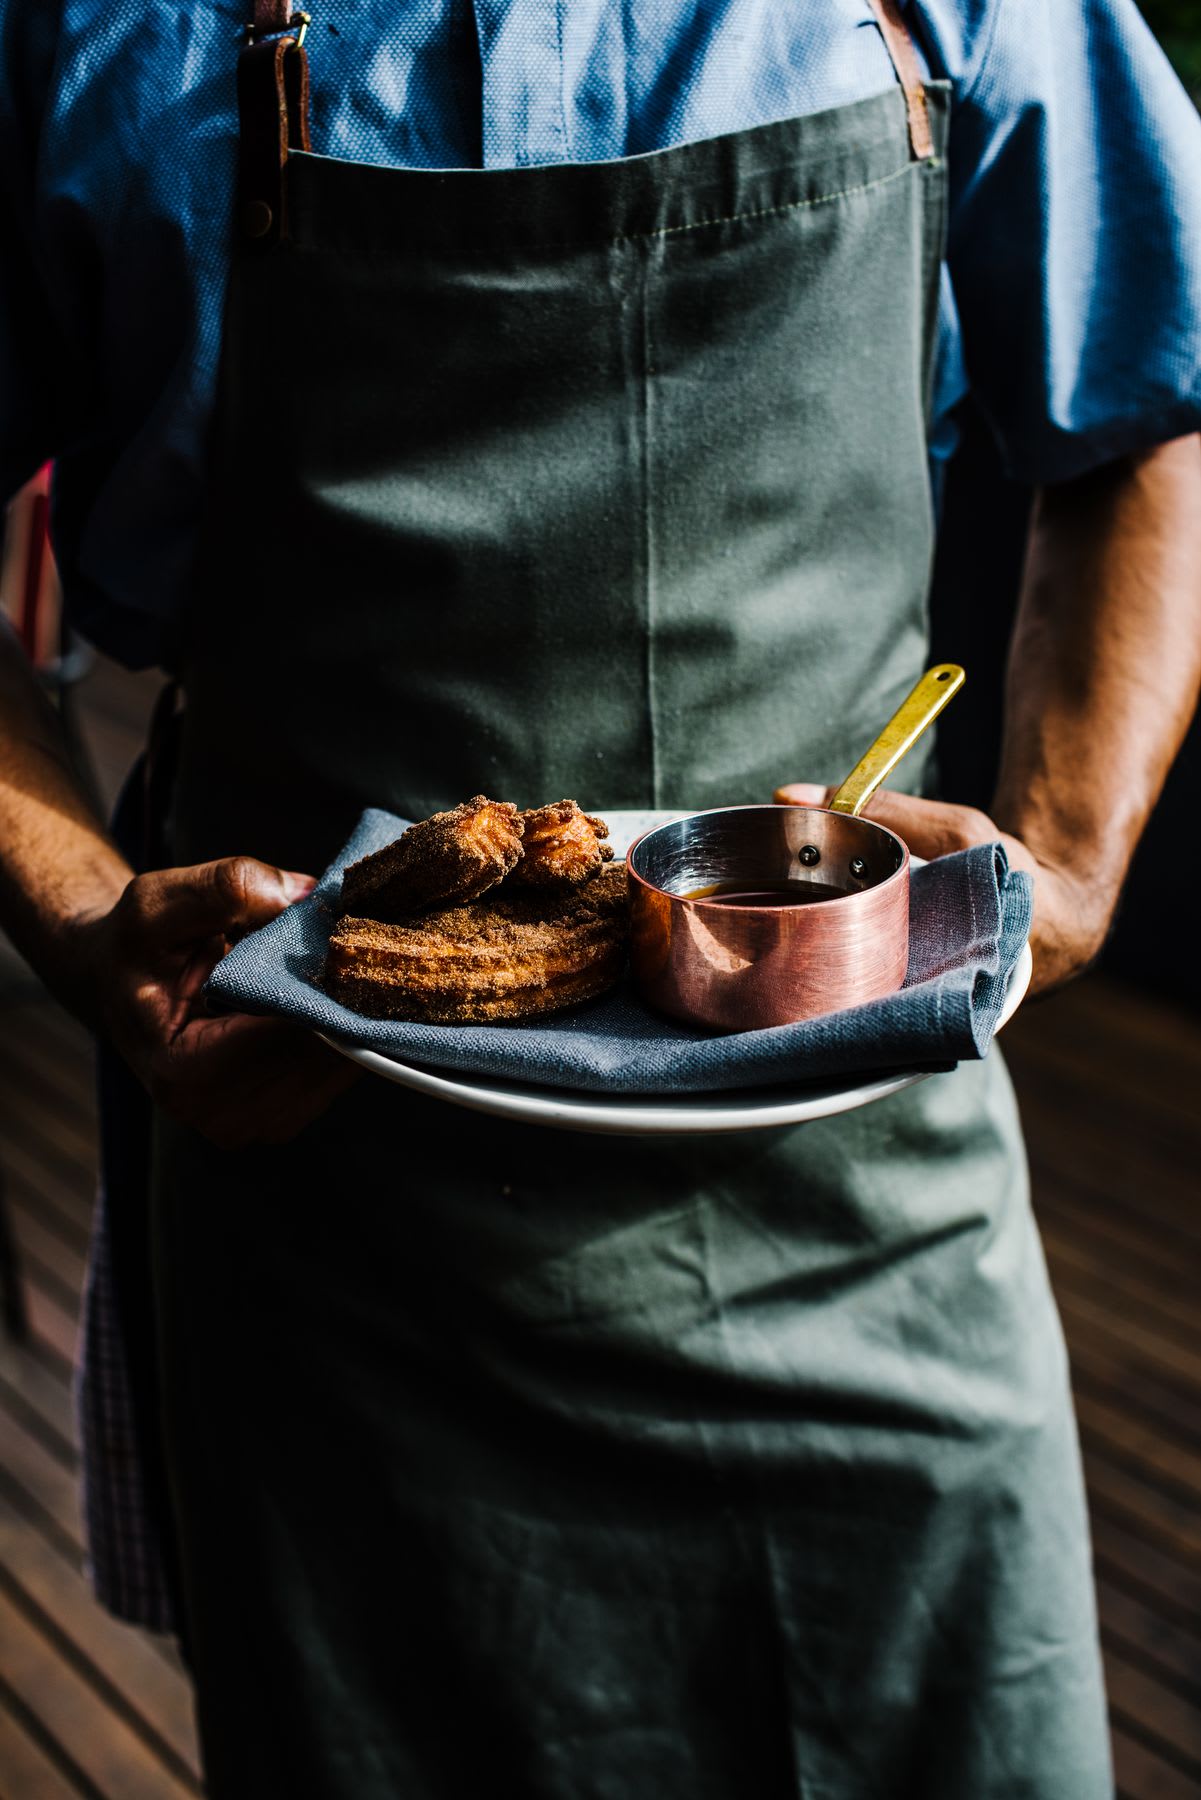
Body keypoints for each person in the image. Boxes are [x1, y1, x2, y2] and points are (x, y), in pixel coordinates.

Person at [2, 0, 1200, 1792]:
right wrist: (92, 919)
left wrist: (1071, 861)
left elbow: (1148, 407)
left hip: (865, 1199)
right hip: (330, 1209)